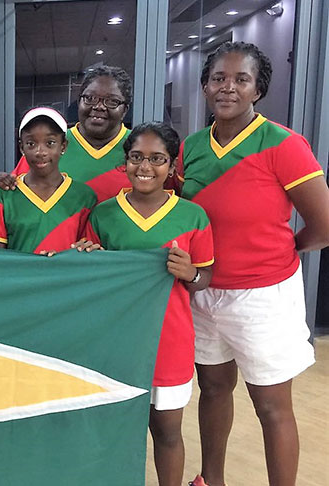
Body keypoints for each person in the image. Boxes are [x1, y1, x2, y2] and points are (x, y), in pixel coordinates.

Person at [178, 42, 329, 486]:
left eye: (241, 79)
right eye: (218, 79)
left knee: (271, 406)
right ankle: (211, 479)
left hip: (264, 297)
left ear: (257, 90)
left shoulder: (284, 144)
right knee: (213, 389)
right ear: (205, 86)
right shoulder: (191, 148)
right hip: (204, 290)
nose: (228, 87)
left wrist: (283, 250)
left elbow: (324, 226)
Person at [78, 122, 214, 486]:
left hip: (168, 341)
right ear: (124, 162)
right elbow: (92, 281)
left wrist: (191, 273)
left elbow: (206, 277)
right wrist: (89, 258)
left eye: (157, 159)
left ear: (171, 166)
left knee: (167, 431)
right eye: (137, 157)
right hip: (116, 342)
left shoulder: (193, 216)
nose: (145, 167)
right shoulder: (104, 214)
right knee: (115, 430)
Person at [0, 65, 132, 203]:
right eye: (90, 98)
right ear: (79, 101)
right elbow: (16, 191)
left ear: (125, 110)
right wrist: (4, 182)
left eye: (112, 101)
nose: (99, 106)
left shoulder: (137, 148)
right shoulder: (51, 143)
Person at [0, 107, 96, 254]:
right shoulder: (4, 195)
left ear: (63, 146)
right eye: (31, 143)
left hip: (66, 270)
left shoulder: (84, 196)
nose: (40, 152)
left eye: (50, 143)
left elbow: (86, 251)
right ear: (21, 147)